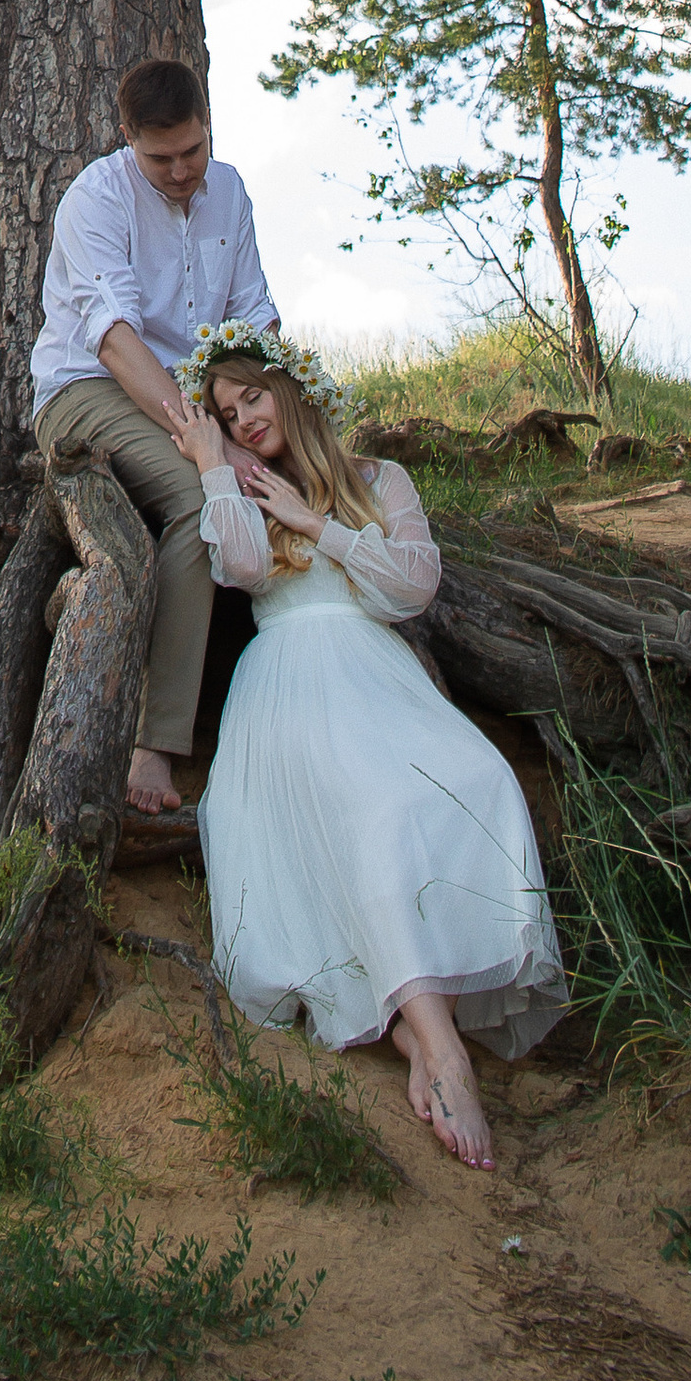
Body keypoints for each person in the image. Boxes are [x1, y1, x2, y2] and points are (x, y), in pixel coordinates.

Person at [173, 333, 566, 1171]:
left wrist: (321, 524)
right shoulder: (237, 486)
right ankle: (447, 1051)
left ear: (289, 388)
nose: (242, 420)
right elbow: (241, 567)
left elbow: (412, 585)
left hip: (378, 674)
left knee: (479, 780)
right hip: (289, 682)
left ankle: (417, 1037)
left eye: (251, 398)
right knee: (373, 812)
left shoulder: (381, 479)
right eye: (225, 412)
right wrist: (213, 468)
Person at [27, 57, 280, 818]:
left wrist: (270, 420)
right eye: (159, 157)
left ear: (208, 126)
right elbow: (113, 341)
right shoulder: (95, 199)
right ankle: (156, 741)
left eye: (192, 152)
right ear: (127, 137)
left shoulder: (230, 191)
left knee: (289, 479)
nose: (179, 171)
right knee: (197, 496)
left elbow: (255, 318)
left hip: (191, 395)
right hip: (87, 389)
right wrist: (206, 442)